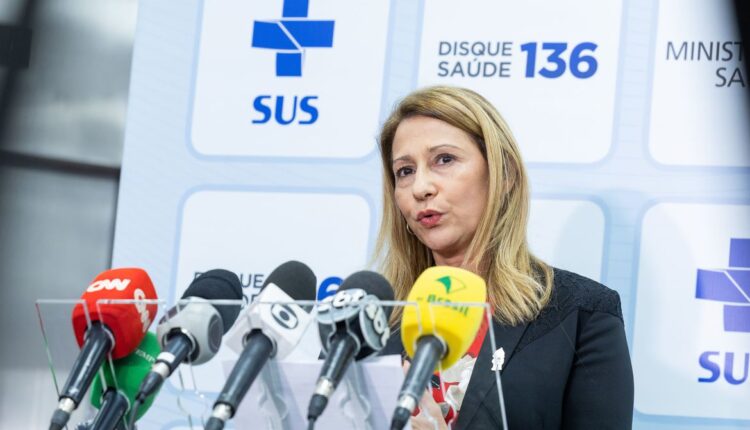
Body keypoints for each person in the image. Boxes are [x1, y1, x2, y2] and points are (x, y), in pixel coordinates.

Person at [375, 86, 634, 429]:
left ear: (504, 174)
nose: (421, 187)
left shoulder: (581, 314)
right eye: (405, 171)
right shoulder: (371, 324)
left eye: (444, 160)